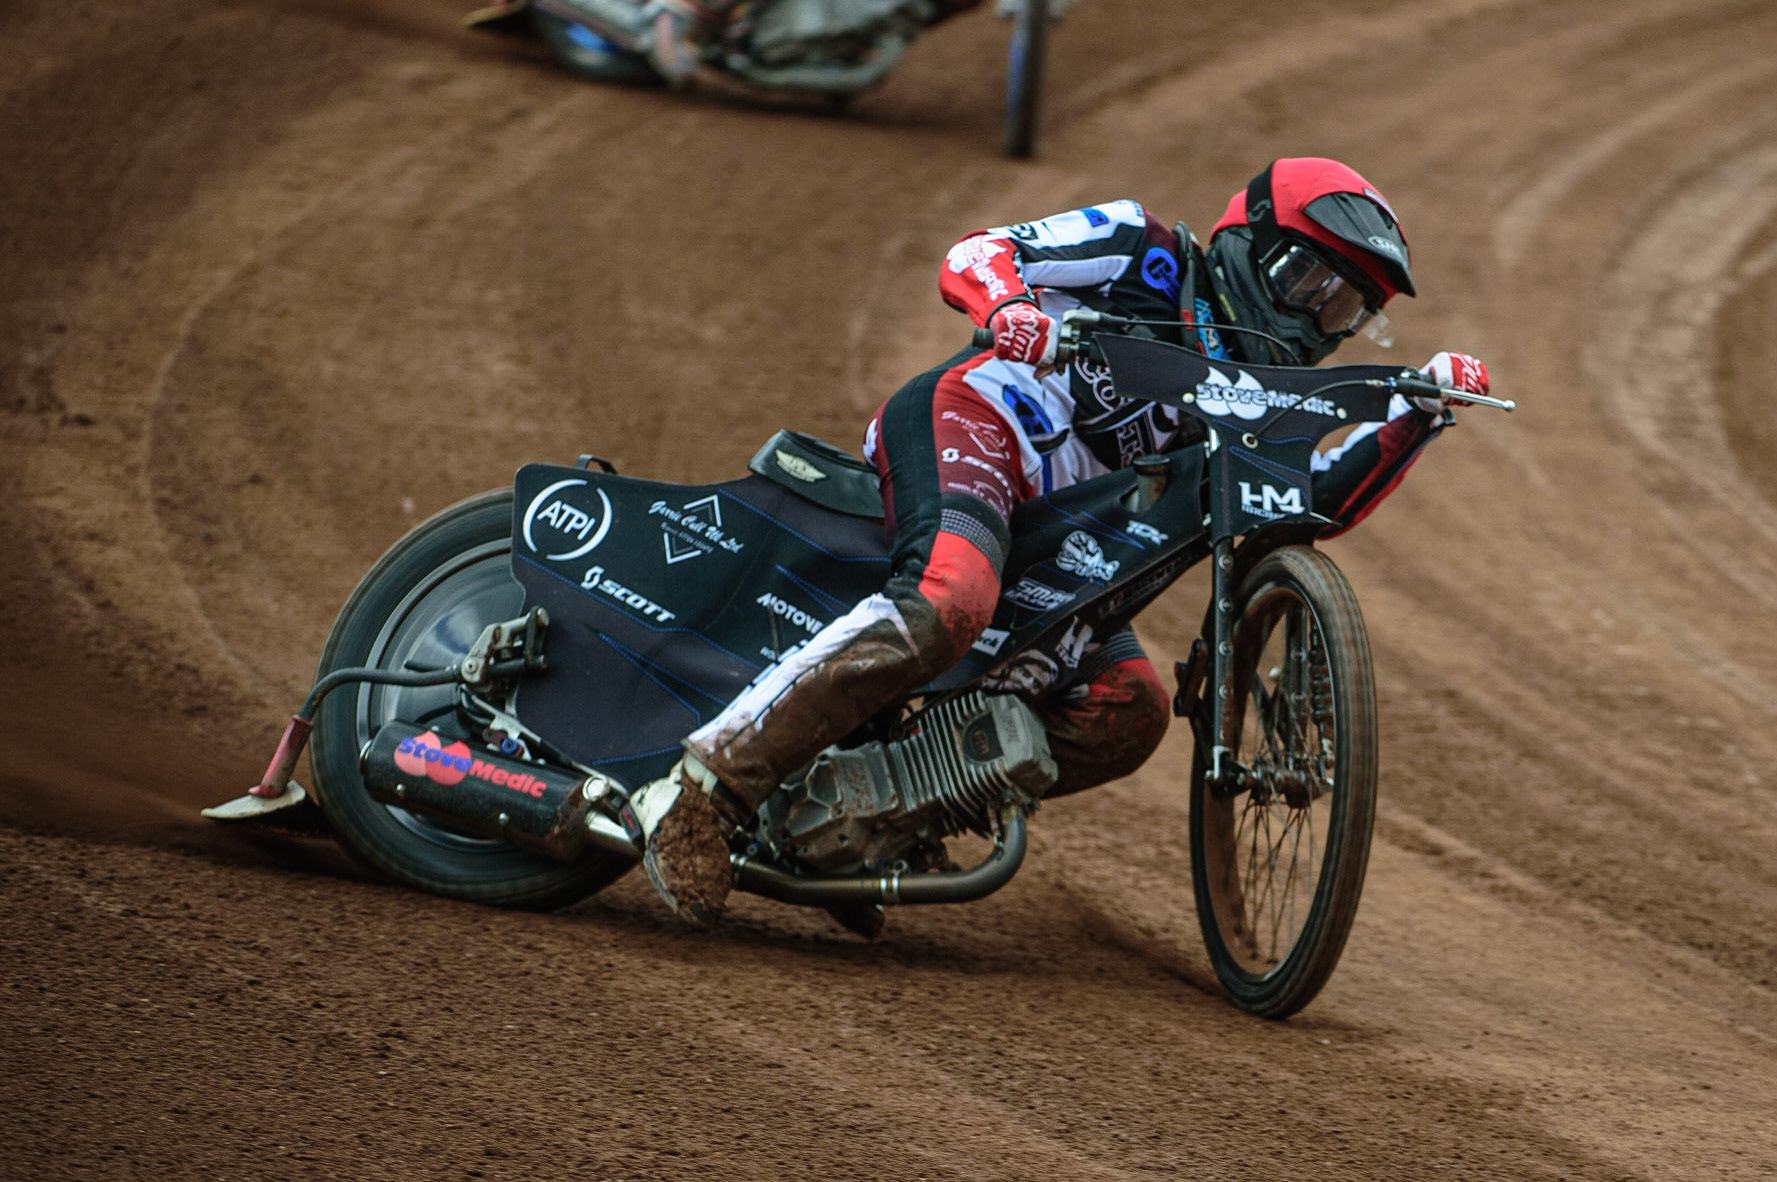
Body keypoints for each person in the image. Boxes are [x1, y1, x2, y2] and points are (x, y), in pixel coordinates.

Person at [636, 157, 1493, 925]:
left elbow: (1305, 510)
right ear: (1245, 240)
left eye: (1344, 306)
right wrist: (1010, 306)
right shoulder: (1138, 246)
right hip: (984, 422)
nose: (1316, 317)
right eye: (1306, 277)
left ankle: (871, 820)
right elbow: (975, 251)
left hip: (1075, 543)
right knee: (949, 599)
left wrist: (1413, 418)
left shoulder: (1269, 398)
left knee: (1131, 711)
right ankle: (703, 793)